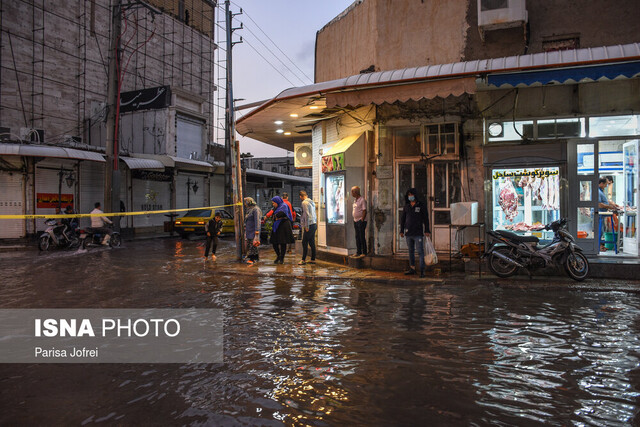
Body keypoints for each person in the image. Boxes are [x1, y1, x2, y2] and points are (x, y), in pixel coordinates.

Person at [400, 188, 430, 278]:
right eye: (409, 195)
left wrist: (427, 230)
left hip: (418, 233)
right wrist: (401, 230)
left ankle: (422, 270)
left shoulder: (421, 205)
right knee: (410, 251)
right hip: (409, 233)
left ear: (415, 195)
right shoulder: (407, 206)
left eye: (411, 195)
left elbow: (426, 219)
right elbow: (402, 219)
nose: (410, 197)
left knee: (420, 252)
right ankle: (412, 269)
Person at [269, 196, 295, 264]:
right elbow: (274, 216)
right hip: (276, 226)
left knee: (283, 242)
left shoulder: (284, 206)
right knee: (274, 242)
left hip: (284, 226)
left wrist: (277, 216)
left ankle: (281, 258)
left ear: (277, 202)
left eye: (274, 203)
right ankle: (278, 256)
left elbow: (281, 214)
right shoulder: (276, 207)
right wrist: (276, 216)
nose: (273, 204)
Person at [298, 190, 317, 265]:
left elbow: (306, 215)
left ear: (301, 196)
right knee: (311, 242)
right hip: (314, 224)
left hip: (309, 225)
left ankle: (303, 260)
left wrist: (306, 226)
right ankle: (313, 259)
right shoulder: (311, 202)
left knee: (304, 242)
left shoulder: (304, 203)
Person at [243, 197, 262, 265]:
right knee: (250, 243)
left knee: (253, 244)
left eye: (245, 202)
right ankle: (254, 257)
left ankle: (253, 258)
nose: (245, 204)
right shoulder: (249, 209)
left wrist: (257, 231)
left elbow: (257, 221)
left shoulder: (256, 209)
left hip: (253, 230)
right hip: (249, 230)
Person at [350, 186, 367, 258]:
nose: (351, 193)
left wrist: (362, 219)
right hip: (355, 220)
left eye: (352, 191)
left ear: (356, 192)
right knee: (357, 236)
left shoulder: (362, 200)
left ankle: (364, 252)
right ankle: (358, 251)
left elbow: (364, 210)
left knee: (361, 236)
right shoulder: (355, 200)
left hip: (360, 220)